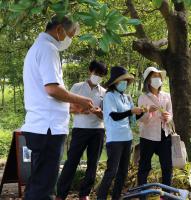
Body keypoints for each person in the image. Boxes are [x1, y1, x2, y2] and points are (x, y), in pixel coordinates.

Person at [21, 15, 94, 200]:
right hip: (48, 130)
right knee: (43, 188)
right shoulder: (48, 49)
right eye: (71, 35)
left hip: (41, 126)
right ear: (59, 30)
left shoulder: (37, 48)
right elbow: (52, 89)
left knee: (38, 183)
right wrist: (82, 100)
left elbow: (43, 97)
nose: (71, 39)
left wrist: (71, 108)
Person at [56, 60, 108, 200]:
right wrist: (79, 109)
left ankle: (84, 194)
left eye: (101, 75)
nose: (98, 76)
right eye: (96, 73)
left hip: (98, 130)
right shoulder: (77, 87)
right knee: (71, 162)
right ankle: (61, 194)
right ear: (90, 71)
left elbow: (107, 115)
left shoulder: (105, 92)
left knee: (93, 164)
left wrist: (99, 113)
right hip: (80, 129)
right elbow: (66, 107)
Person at [96, 66, 144, 200]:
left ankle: (116, 197)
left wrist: (143, 112)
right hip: (115, 139)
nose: (124, 83)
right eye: (121, 81)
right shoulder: (109, 96)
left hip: (127, 138)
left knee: (123, 172)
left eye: (126, 81)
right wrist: (131, 111)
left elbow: (131, 119)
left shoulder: (127, 98)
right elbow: (114, 116)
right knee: (111, 171)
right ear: (115, 82)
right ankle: (101, 197)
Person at [137, 67, 173, 187]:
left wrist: (168, 117)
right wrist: (149, 112)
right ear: (148, 80)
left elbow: (170, 114)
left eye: (159, 77)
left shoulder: (166, 96)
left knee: (167, 166)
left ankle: (167, 194)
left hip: (164, 134)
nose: (157, 79)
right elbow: (141, 119)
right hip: (148, 135)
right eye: (154, 77)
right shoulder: (143, 97)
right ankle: (142, 193)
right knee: (144, 166)